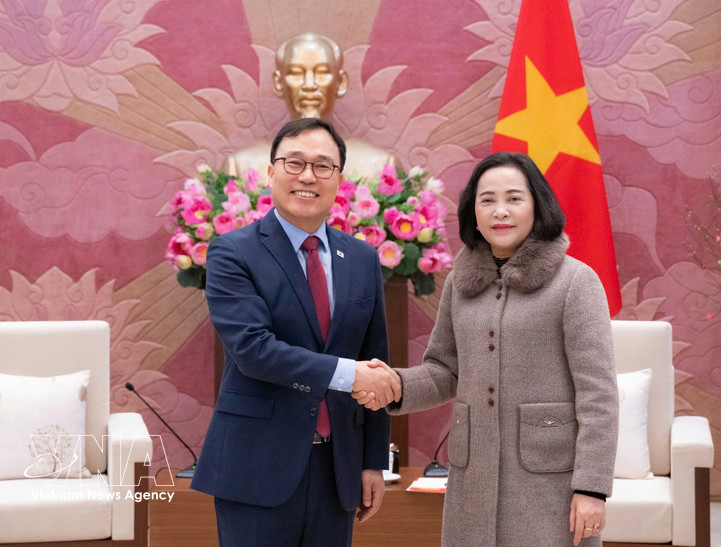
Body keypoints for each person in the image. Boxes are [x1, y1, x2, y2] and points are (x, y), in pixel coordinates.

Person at [357, 151, 619, 546]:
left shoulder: (575, 283)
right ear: (472, 213)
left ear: (537, 205)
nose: (501, 211)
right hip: (472, 480)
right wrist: (394, 383)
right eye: (487, 200)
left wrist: (592, 489)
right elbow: (444, 371)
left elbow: (598, 396)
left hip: (550, 484)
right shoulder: (461, 284)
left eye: (514, 198)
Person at [192, 117, 401, 546]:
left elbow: (375, 357)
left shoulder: (361, 258)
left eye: (323, 166)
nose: (308, 176)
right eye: (294, 163)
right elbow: (254, 350)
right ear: (271, 172)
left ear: (339, 179)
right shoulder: (233, 252)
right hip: (256, 466)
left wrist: (372, 461)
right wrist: (351, 374)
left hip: (337, 468)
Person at [227, 33, 395, 181]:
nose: (309, 85)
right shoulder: (241, 166)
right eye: (296, 73)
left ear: (341, 82)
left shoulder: (380, 166)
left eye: (321, 73)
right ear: (278, 83)